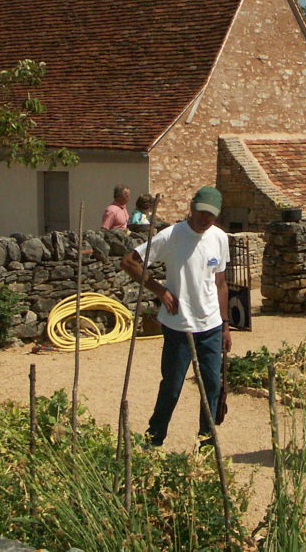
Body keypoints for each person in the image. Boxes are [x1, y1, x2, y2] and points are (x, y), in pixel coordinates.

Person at [121, 186, 231, 448]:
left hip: (211, 326)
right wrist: (160, 290)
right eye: (203, 213)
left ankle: (206, 442)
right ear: (191, 208)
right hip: (178, 326)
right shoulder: (171, 235)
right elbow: (129, 262)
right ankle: (154, 438)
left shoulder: (219, 238)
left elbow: (221, 283)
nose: (206, 220)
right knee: (172, 387)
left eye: (212, 216)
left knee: (212, 387)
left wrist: (226, 326)